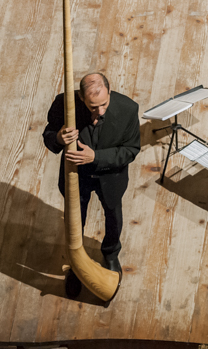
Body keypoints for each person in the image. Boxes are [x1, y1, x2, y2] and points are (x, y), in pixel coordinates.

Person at [43, 72, 140, 297]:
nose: (100, 112)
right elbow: (48, 135)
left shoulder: (128, 109)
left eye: (104, 104)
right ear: (81, 98)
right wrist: (59, 137)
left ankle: (111, 254)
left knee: (113, 216)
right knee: (75, 221)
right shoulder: (64, 104)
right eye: (93, 107)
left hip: (111, 177)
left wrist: (95, 157)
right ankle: (76, 265)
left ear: (110, 90)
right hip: (77, 177)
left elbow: (131, 150)